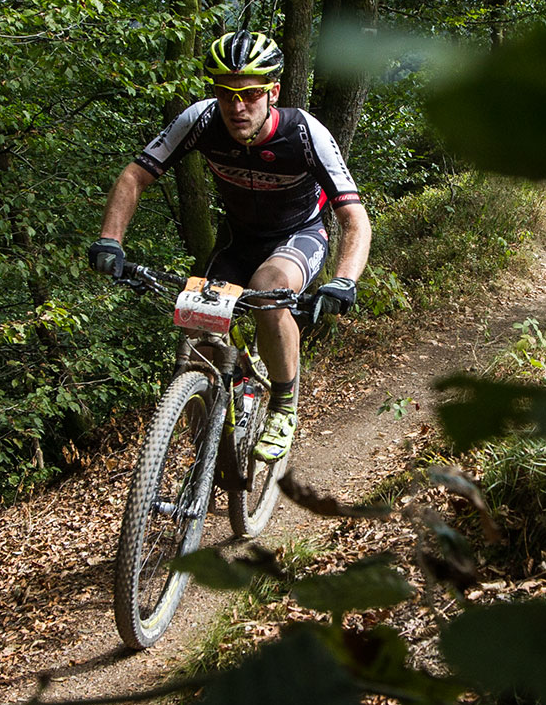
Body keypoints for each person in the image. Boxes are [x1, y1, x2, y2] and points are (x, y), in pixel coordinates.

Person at [89, 31, 371, 465]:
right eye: (225, 93)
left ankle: (283, 405)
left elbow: (354, 216)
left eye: (251, 93)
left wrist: (344, 281)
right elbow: (134, 176)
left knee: (268, 288)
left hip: (299, 234)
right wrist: (111, 240)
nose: (237, 107)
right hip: (239, 239)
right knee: (195, 327)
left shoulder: (304, 133)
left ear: (273, 91)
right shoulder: (201, 120)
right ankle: (211, 438)